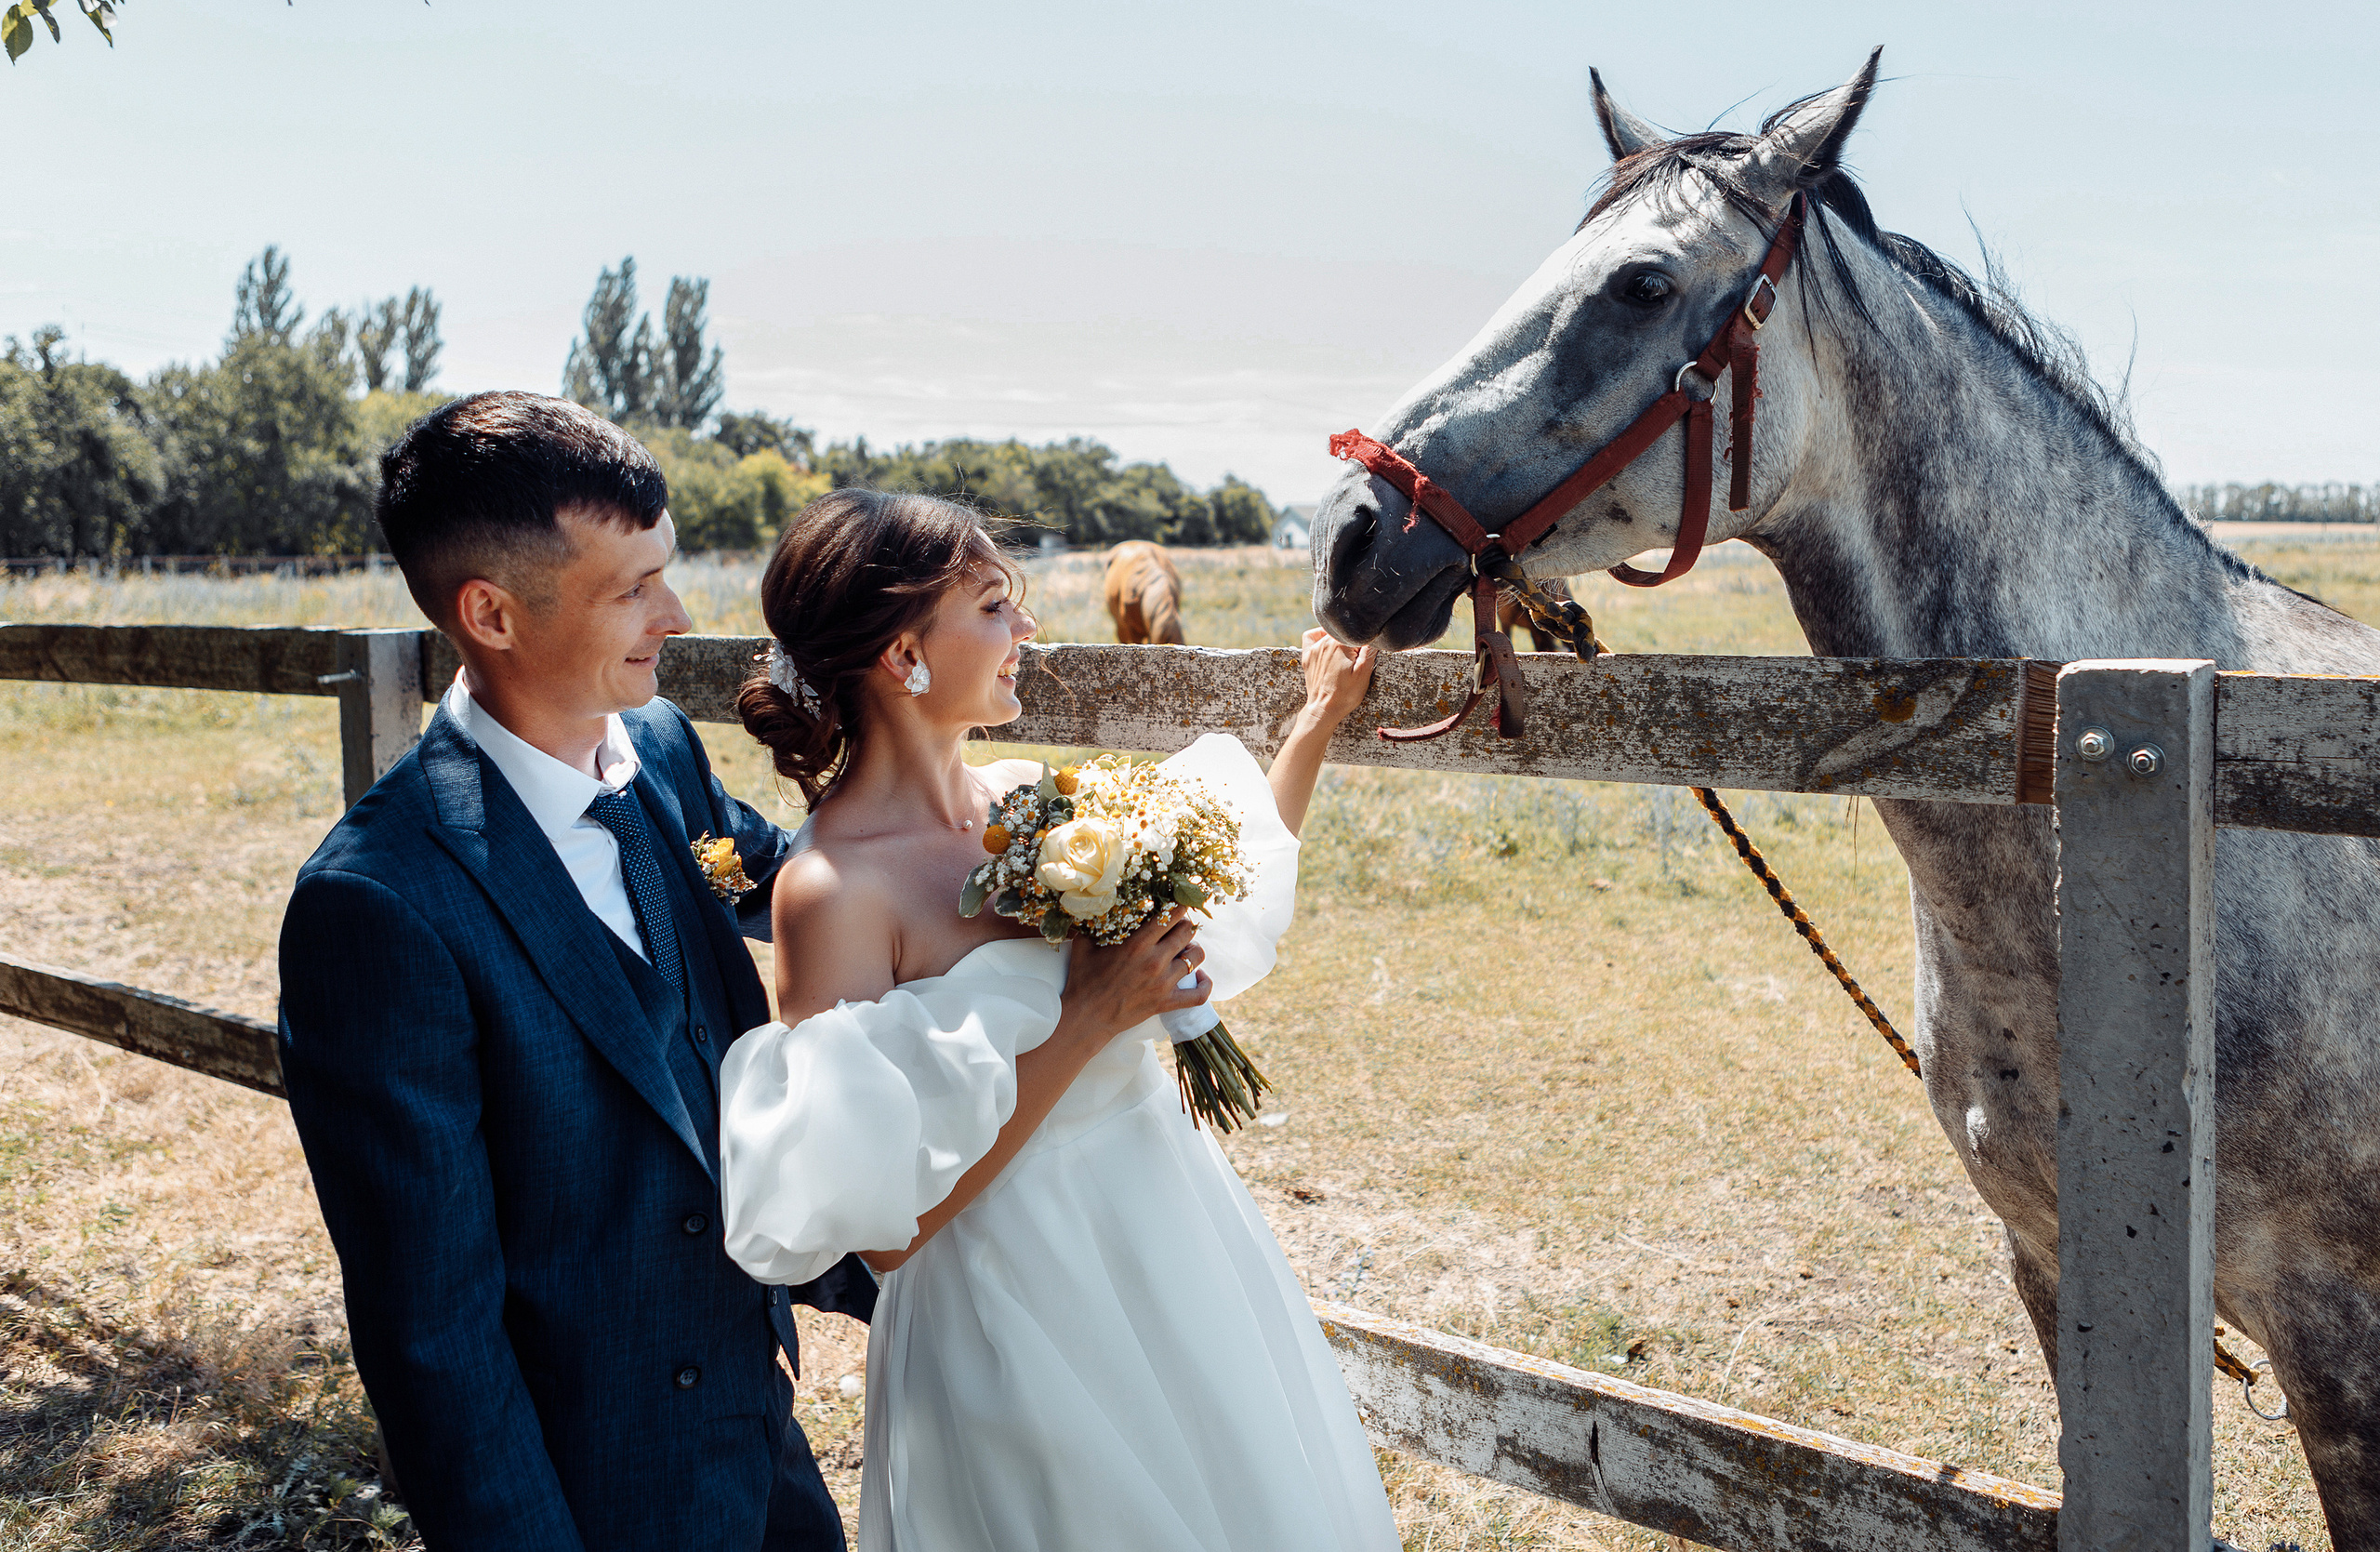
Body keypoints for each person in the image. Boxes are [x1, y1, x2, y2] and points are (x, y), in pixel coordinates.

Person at [717, 488, 1398, 1550]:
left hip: (1170, 1237)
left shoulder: (1033, 799)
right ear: (904, 653)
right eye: (994, 606)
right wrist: (1086, 1019)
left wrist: (1316, 722)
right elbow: (889, 1234)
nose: (1026, 628)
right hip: (1011, 1306)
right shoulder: (832, 889)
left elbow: (1213, 900)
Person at [276, 391, 875, 1551]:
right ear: (491, 612)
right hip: (593, 1485)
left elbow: (775, 871)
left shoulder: (655, 746)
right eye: (631, 588)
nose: (678, 612)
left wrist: (1012, 872)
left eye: (668, 569)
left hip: (760, 1436)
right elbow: (431, 1335)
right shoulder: (378, 904)